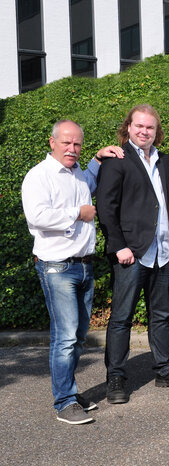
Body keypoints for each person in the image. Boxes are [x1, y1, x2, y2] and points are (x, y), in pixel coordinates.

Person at [21, 120, 123, 424]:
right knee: (65, 337)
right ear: (52, 142)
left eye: (77, 144)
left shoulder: (77, 173)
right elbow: (37, 216)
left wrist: (97, 159)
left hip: (83, 265)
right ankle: (64, 402)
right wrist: (77, 213)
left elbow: (88, 182)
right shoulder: (39, 176)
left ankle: (70, 393)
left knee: (78, 337)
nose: (72, 149)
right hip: (57, 267)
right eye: (66, 143)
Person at [96, 104, 169, 404]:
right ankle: (116, 378)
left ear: (157, 131)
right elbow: (106, 207)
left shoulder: (165, 161)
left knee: (161, 316)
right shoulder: (117, 160)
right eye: (139, 126)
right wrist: (118, 246)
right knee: (121, 318)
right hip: (132, 253)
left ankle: (165, 371)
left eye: (150, 127)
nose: (144, 131)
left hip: (162, 252)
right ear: (128, 127)